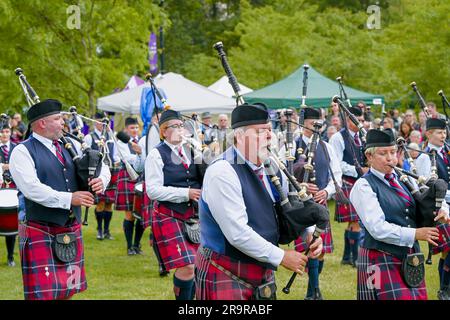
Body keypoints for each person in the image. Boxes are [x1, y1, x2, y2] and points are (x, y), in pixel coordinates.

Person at [195, 103, 322, 300]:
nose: (270, 136)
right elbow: (236, 233)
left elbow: (287, 207)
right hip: (225, 267)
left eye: (270, 130)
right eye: (260, 132)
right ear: (239, 136)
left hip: (260, 267)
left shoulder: (270, 166)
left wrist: (308, 233)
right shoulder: (222, 172)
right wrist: (282, 257)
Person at [9, 99, 110, 300]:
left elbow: (101, 163)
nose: (63, 122)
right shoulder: (22, 151)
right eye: (57, 118)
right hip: (40, 227)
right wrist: (69, 198)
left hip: (70, 227)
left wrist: (102, 180)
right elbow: (31, 189)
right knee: (44, 295)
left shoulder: (70, 143)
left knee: (67, 291)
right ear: (41, 123)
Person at [350, 128, 449, 300]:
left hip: (410, 257)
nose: (390, 158)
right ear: (369, 156)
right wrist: (416, 233)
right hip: (379, 257)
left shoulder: (404, 179)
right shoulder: (363, 186)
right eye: (383, 153)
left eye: (393, 152)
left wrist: (442, 209)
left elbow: (425, 201)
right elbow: (377, 228)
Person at [145, 109, 203, 300]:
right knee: (187, 267)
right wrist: (186, 193)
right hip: (169, 214)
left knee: (198, 265)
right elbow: (152, 190)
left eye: (181, 126)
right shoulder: (156, 154)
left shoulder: (192, 150)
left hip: (194, 216)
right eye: (174, 127)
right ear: (163, 132)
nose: (179, 130)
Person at [291, 107, 342, 300]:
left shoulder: (326, 147)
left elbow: (335, 176)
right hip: (300, 206)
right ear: (302, 124)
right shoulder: (291, 145)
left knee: (319, 253)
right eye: (313, 124)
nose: (316, 128)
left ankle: (314, 283)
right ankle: (313, 291)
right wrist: (299, 187)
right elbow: (280, 174)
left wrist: (326, 191)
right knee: (311, 246)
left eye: (319, 124)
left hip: (319, 205)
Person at [415, 118, 450, 300]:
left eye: (444, 132)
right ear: (428, 134)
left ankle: (446, 286)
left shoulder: (447, 152)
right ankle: (444, 289)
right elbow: (428, 188)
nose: (443, 135)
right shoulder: (424, 157)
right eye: (438, 132)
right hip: (438, 207)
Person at [329, 107, 368, 267]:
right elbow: (336, 163)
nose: (360, 123)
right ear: (347, 119)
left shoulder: (362, 137)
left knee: (354, 222)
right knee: (355, 222)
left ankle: (347, 257)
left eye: (362, 120)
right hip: (346, 182)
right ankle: (355, 258)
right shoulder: (338, 138)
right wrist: (358, 170)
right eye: (357, 120)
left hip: (360, 182)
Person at [84, 112, 120, 240]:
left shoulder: (111, 136)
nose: (102, 124)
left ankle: (107, 230)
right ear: (94, 122)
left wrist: (117, 160)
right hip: (98, 173)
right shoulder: (89, 137)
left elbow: (115, 155)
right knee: (100, 204)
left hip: (112, 171)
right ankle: (99, 230)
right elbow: (86, 155)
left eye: (104, 122)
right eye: (99, 121)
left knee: (109, 204)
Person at [115, 117, 145, 255]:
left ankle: (137, 245)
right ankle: (129, 247)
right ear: (126, 129)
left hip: (141, 177)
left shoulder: (143, 140)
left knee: (141, 213)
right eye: (131, 128)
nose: (134, 130)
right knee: (129, 214)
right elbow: (127, 158)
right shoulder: (121, 141)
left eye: (136, 128)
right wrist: (140, 154)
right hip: (127, 176)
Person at [0, 123, 18, 266]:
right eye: (2, 132)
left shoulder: (17, 147)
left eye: (7, 131)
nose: (4, 134)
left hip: (13, 189)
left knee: (10, 224)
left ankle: (10, 256)